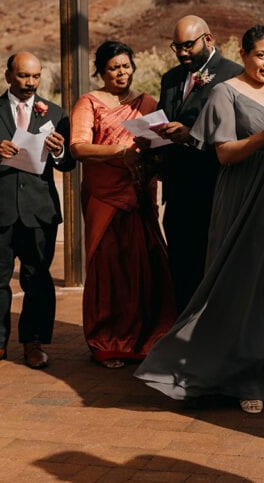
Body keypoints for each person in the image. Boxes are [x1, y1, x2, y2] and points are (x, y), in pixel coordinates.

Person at [135, 25, 264, 414]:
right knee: (240, 284)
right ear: (243, 54)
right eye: (261, 55)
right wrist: (261, 137)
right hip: (242, 193)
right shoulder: (225, 92)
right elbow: (223, 154)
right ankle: (241, 377)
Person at [0, 51, 75, 372]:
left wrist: (60, 150)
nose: (30, 83)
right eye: (24, 76)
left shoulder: (54, 112)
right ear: (8, 75)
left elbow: (68, 163)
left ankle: (34, 343)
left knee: (37, 278)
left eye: (36, 76)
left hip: (39, 211)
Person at [69, 40, 178, 368]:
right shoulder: (89, 102)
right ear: (101, 71)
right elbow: (77, 147)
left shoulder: (147, 103)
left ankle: (147, 338)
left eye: (126, 66)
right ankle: (107, 341)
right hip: (105, 197)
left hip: (140, 195)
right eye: (114, 67)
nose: (121, 72)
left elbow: (160, 145)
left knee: (144, 268)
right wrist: (121, 151)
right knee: (108, 269)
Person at [154, 15, 243, 311]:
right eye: (176, 47)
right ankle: (181, 334)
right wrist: (151, 137)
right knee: (180, 264)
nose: (181, 53)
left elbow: (238, 133)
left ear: (209, 39)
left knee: (213, 265)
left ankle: (211, 336)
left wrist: (190, 135)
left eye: (187, 46)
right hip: (177, 190)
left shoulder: (234, 76)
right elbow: (163, 118)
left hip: (214, 187)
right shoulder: (170, 79)